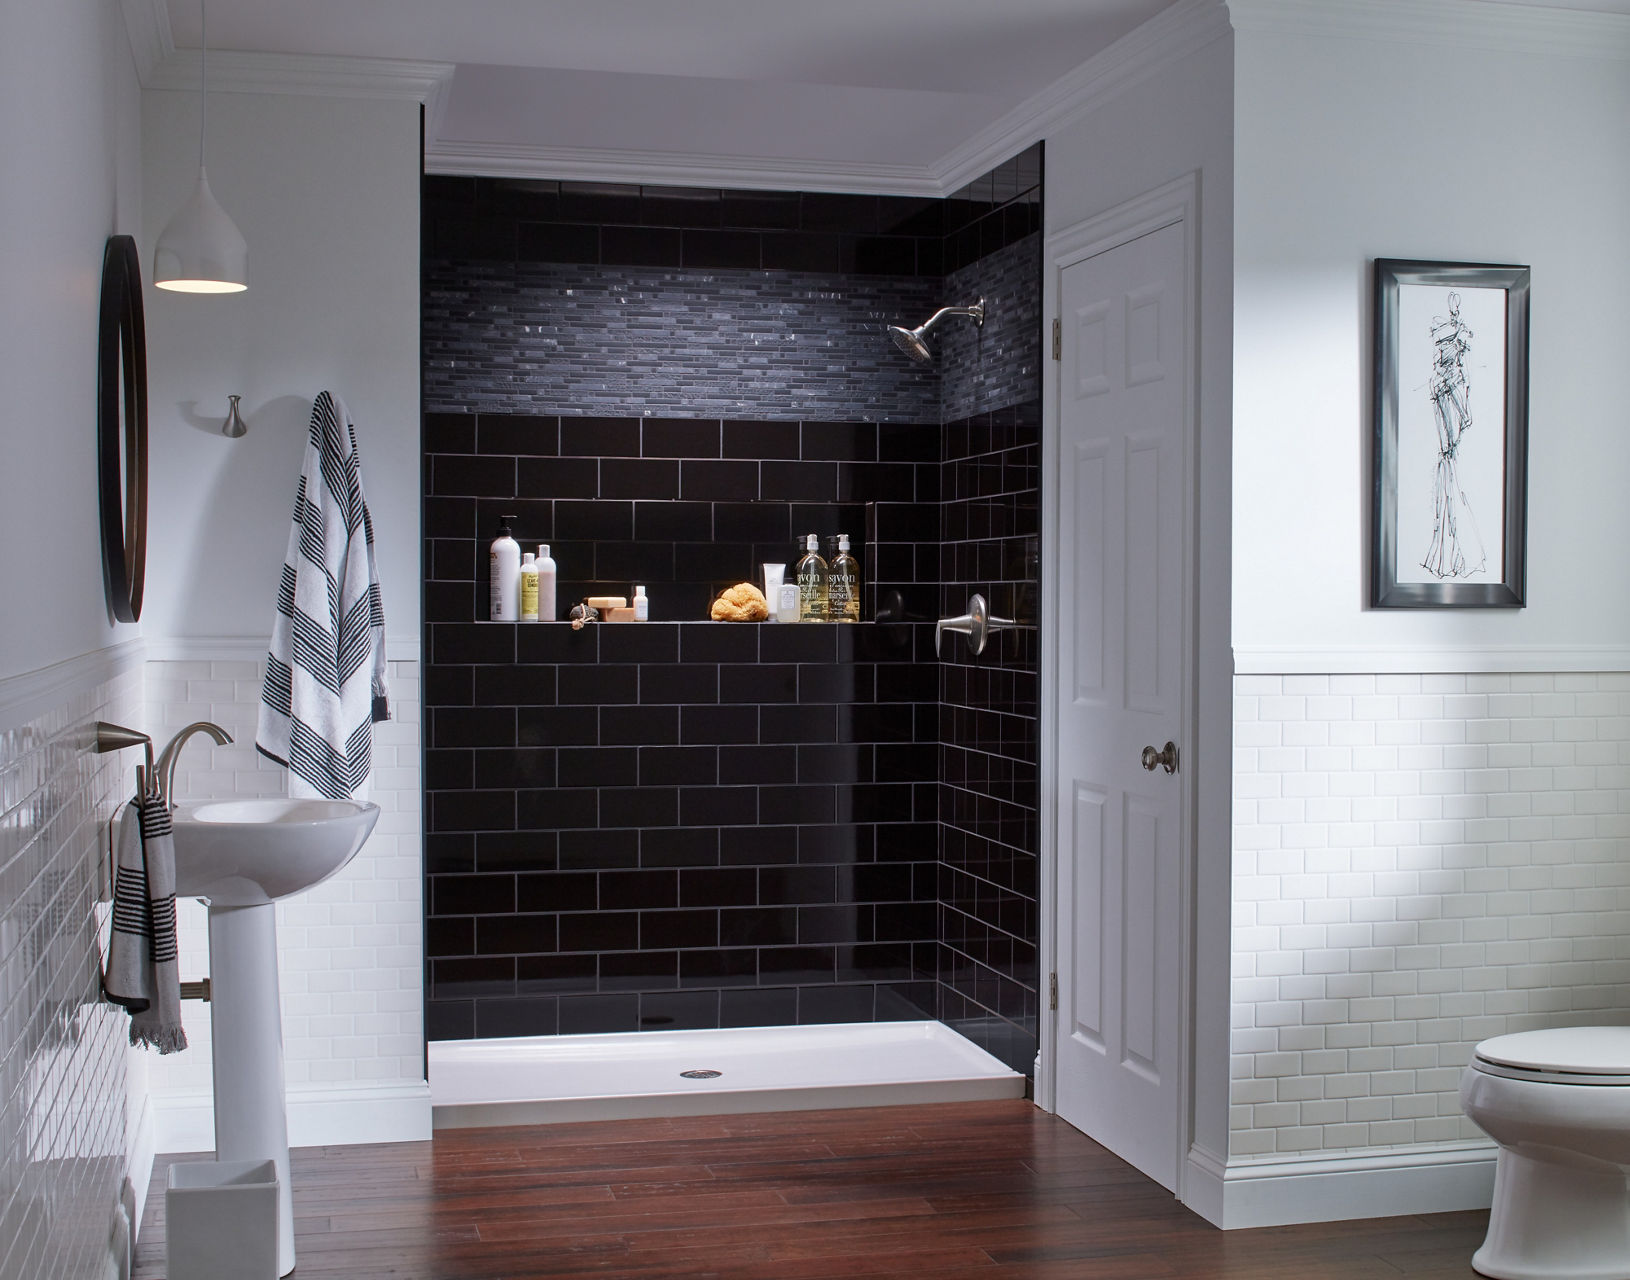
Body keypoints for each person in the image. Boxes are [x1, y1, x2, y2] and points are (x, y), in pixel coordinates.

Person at [1420, 291, 1486, 579]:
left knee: (1450, 481)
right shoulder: (1450, 379)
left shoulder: (1439, 381)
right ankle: (1454, 553)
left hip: (1447, 455)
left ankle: (1449, 553)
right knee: (1453, 483)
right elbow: (1461, 419)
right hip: (1450, 453)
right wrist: (1465, 412)